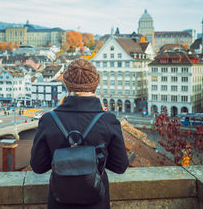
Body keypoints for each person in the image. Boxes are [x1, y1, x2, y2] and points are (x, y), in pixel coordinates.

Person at [30, 58, 129, 209]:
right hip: (96, 203)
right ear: (95, 85)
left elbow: (38, 167)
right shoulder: (109, 121)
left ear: (66, 84)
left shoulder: (48, 120)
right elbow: (120, 166)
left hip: (60, 202)